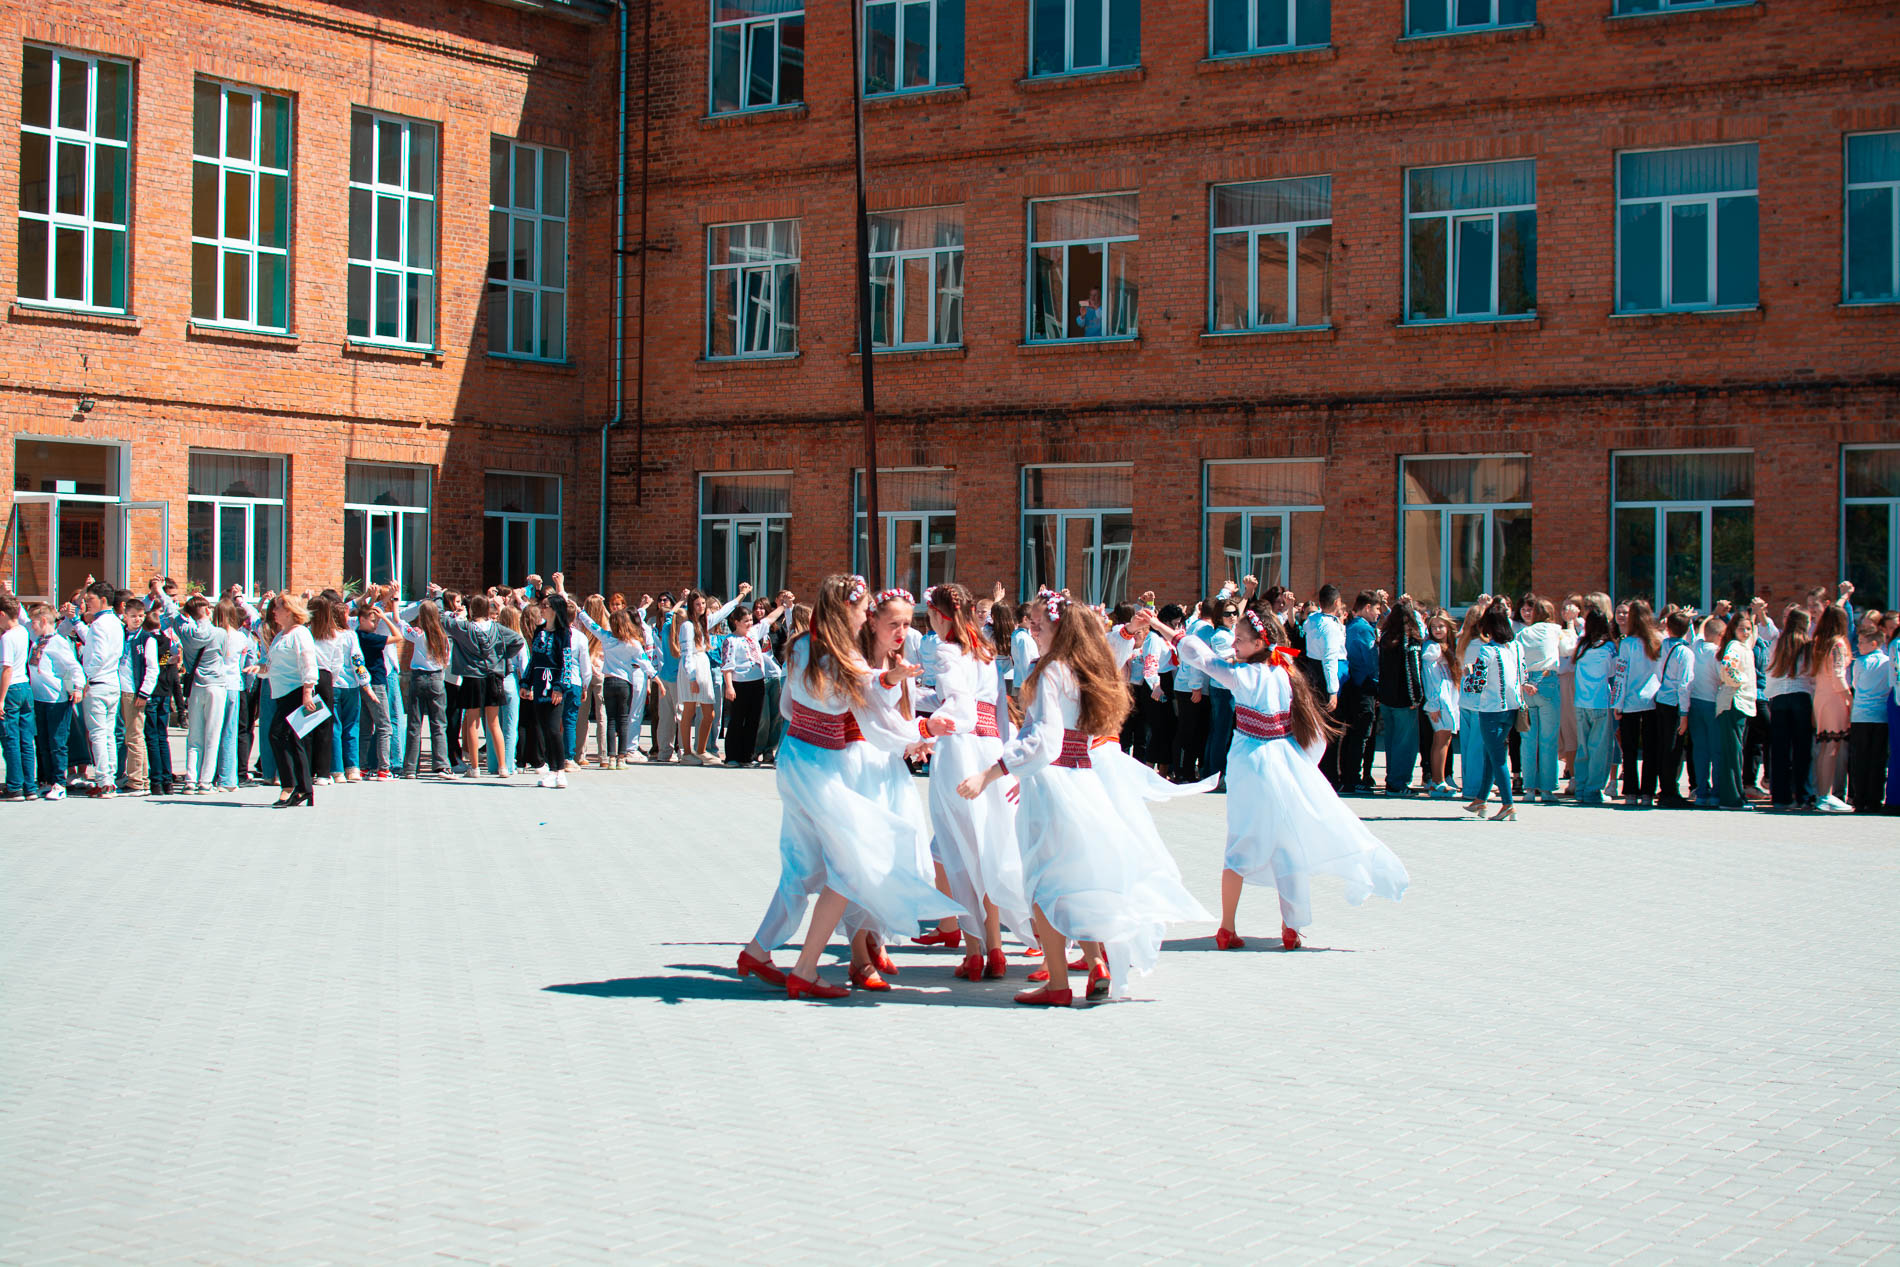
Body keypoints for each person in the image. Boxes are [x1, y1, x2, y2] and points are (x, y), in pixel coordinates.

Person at [957, 591, 1209, 1006]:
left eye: (1038, 623)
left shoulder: (1051, 671)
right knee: (1078, 876)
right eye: (1031, 622)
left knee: (1043, 882)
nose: (1031, 629)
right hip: (1082, 778)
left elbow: (1043, 739)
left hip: (1052, 783)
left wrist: (991, 772)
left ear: (1059, 628)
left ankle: (1058, 984)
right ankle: (1096, 964)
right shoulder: (1081, 668)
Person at [737, 574, 964, 1000]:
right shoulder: (844, 656)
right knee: (850, 864)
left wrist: (890, 695)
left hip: (795, 756)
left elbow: (789, 706)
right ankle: (807, 969)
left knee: (801, 866)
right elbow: (870, 701)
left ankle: (758, 951)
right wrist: (900, 696)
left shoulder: (801, 645)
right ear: (848, 611)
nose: (866, 617)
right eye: (863, 611)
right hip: (824, 767)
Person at [1170, 606, 1407, 950]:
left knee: (1239, 844)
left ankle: (1227, 927)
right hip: (1283, 762)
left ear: (1258, 643)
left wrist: (1167, 629)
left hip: (1249, 764)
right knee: (1287, 844)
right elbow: (1311, 733)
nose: (1234, 645)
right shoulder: (1286, 673)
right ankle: (1290, 927)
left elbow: (1202, 657)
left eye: (1239, 640)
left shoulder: (1242, 675)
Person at [913, 583, 1033, 980]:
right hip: (990, 749)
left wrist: (927, 726)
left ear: (940, 616)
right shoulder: (985, 651)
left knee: (961, 850)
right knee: (988, 846)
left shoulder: (947, 651)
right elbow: (994, 709)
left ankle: (974, 951)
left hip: (960, 750)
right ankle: (994, 948)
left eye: (930, 615)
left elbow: (958, 708)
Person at [670, 586, 748, 765]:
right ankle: (686, 753)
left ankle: (701, 750)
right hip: (692, 666)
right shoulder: (688, 626)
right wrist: (691, 678)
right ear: (691, 605)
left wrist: (742, 595)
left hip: (703, 664)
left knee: (709, 713)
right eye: (697, 604)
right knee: (689, 710)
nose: (701, 607)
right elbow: (686, 653)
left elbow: (723, 611)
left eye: (703, 603)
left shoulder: (704, 622)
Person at [1462, 602, 1525, 820]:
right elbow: (1523, 674)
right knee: (1491, 754)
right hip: (1512, 708)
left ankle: (1508, 804)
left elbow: (1476, 685)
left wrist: (1467, 674)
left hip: (1491, 709)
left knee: (1497, 758)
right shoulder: (1516, 648)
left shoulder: (1487, 651)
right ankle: (1481, 799)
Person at [263, 593, 320, 808]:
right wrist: (259, 669)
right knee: (294, 741)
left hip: (296, 692)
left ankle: (290, 785)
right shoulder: (281, 635)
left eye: (278, 607)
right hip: (282, 692)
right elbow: (274, 665)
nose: (274, 611)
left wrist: (307, 692)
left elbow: (308, 662)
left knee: (277, 735)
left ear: (289, 610)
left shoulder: (300, 633)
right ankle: (304, 788)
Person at [384, 598, 451, 778]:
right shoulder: (443, 636)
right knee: (439, 724)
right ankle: (442, 765)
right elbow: (447, 660)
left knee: (414, 724)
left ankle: (410, 768)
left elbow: (398, 621)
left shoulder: (417, 634)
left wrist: (396, 602)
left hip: (418, 677)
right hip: (436, 678)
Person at [1515, 597, 1572, 803]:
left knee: (1528, 740)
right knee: (1548, 739)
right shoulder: (1555, 630)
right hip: (1547, 681)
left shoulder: (1523, 633)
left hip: (1527, 683)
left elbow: (1516, 658)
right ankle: (1547, 789)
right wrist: (1571, 625)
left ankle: (1529, 788)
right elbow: (1568, 649)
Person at [719, 598, 786, 766]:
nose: (749, 623)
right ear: (736, 622)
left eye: (750, 620)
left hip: (757, 681)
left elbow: (769, 619)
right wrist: (729, 686)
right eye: (745, 621)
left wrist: (783, 606)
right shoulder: (730, 640)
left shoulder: (754, 633)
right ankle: (732, 756)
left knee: (753, 720)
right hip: (740, 683)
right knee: (737, 719)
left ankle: (747, 756)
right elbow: (727, 665)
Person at [73, 580, 125, 795]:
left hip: (98, 682)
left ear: (103, 600)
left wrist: (86, 678)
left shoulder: (100, 623)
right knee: (108, 733)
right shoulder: (115, 622)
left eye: (91, 599)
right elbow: (93, 642)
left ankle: (105, 780)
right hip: (112, 681)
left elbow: (97, 655)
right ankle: (110, 776)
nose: (88, 602)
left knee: (98, 734)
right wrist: (77, 622)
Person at [26, 604, 83, 799]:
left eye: (34, 622)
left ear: (43, 621)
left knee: (57, 742)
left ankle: (60, 782)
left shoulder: (57, 642)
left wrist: (77, 687)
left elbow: (72, 666)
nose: (31, 626)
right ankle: (48, 780)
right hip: (39, 698)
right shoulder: (38, 641)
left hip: (55, 699)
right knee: (43, 742)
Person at [1612, 599, 1664, 807]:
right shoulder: (1659, 639)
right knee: (1651, 748)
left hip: (1631, 701)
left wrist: (1617, 703)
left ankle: (1631, 792)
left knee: (1630, 749)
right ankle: (1648, 792)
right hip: (1653, 699)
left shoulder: (1627, 643)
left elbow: (1621, 675)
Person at [1763, 608, 1814, 810]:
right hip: (1801, 695)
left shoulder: (1778, 643)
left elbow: (1769, 670)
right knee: (1802, 749)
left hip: (1779, 698)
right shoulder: (1807, 645)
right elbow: (1812, 674)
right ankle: (1803, 794)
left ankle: (1780, 796)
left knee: (1780, 749)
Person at [1805, 604, 1853, 812]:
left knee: (1825, 747)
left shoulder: (1819, 642)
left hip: (1821, 696)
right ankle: (1826, 794)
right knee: (1832, 747)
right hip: (1834, 698)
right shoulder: (1838, 644)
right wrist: (1850, 698)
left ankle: (1823, 793)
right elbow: (1838, 676)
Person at [523, 593, 574, 789]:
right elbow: (533, 659)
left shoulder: (563, 633)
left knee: (553, 729)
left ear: (554, 609)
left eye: (546, 606)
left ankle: (560, 770)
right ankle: (551, 769)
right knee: (543, 729)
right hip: (539, 683)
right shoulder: (539, 631)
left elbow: (567, 663)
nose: (542, 609)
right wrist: (526, 682)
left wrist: (560, 686)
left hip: (554, 684)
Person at [1375, 598, 1425, 796]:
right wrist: (1416, 697)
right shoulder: (1409, 640)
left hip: (1387, 698)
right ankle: (1398, 783)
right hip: (1404, 700)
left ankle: (1391, 780)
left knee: (1391, 742)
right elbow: (1413, 671)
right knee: (1406, 744)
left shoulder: (1386, 638)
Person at [1300, 585, 1348, 790]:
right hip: (1327, 676)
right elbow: (1330, 659)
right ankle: (1330, 776)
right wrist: (1333, 691)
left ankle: (1323, 773)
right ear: (1337, 603)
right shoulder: (1329, 627)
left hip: (1315, 672)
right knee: (1331, 728)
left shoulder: (1312, 620)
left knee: (1321, 726)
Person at [1713, 611, 1758, 810]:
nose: (1746, 632)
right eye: (1742, 629)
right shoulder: (1735, 646)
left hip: (1740, 703)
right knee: (1732, 752)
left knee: (1735, 751)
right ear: (1733, 629)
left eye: (1748, 629)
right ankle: (1731, 798)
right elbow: (1728, 666)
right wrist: (1740, 681)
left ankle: (1737, 795)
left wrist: (1756, 614)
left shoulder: (1744, 646)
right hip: (1734, 703)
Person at [1845, 612, 1890, 813]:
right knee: (1878, 759)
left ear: (1873, 643)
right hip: (1881, 716)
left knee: (1860, 759)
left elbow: (1855, 684)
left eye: (1862, 642)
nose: (1859, 646)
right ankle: (1875, 799)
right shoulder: (1887, 662)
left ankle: (1859, 798)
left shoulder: (1860, 663)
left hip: (1861, 716)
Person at [1652, 610, 1697, 808]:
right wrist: (1684, 713)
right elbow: (1684, 684)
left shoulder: (1662, 646)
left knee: (1664, 746)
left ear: (1667, 627)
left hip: (1661, 698)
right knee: (1673, 749)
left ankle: (1665, 788)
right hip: (1675, 703)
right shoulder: (1685, 652)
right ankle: (1670, 791)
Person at [1338, 591, 1380, 795]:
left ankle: (1347, 776)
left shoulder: (1352, 626)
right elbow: (1371, 660)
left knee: (1351, 734)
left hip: (1351, 685)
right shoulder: (1364, 629)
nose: (1379, 613)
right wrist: (1377, 684)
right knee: (1361, 735)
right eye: (1377, 609)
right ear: (1367, 607)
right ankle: (1353, 778)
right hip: (1363, 686)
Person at [1686, 613, 1727, 808]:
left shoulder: (1695, 646)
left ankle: (1701, 792)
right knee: (1716, 750)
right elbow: (1722, 678)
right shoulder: (1717, 653)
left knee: (1700, 750)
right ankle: (1717, 792)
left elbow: (1698, 633)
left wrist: (1706, 619)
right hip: (1712, 703)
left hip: (1694, 702)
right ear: (1720, 636)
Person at [1421, 610, 1461, 797]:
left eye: (1441, 626)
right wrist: (1433, 704)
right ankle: (1438, 781)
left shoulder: (1447, 646)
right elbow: (1430, 678)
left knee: (1445, 739)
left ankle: (1438, 781)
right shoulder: (1432, 648)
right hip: (1440, 699)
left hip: (1449, 696)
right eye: (1434, 626)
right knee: (1441, 740)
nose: (1437, 630)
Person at [0, 592, 35, 800]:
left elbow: (7, 669)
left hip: (11, 688)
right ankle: (30, 786)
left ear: (2, 614)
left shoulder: (7, 637)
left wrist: (0, 699)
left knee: (10, 739)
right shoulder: (23, 631)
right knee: (26, 739)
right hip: (25, 686)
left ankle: (14, 786)